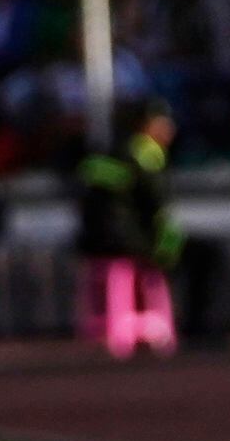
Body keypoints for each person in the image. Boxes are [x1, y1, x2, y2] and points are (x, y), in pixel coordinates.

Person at [73, 98, 181, 359]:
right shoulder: (145, 153)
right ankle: (201, 332)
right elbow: (156, 205)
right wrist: (169, 247)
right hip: (128, 242)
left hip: (92, 241)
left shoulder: (101, 154)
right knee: (205, 257)